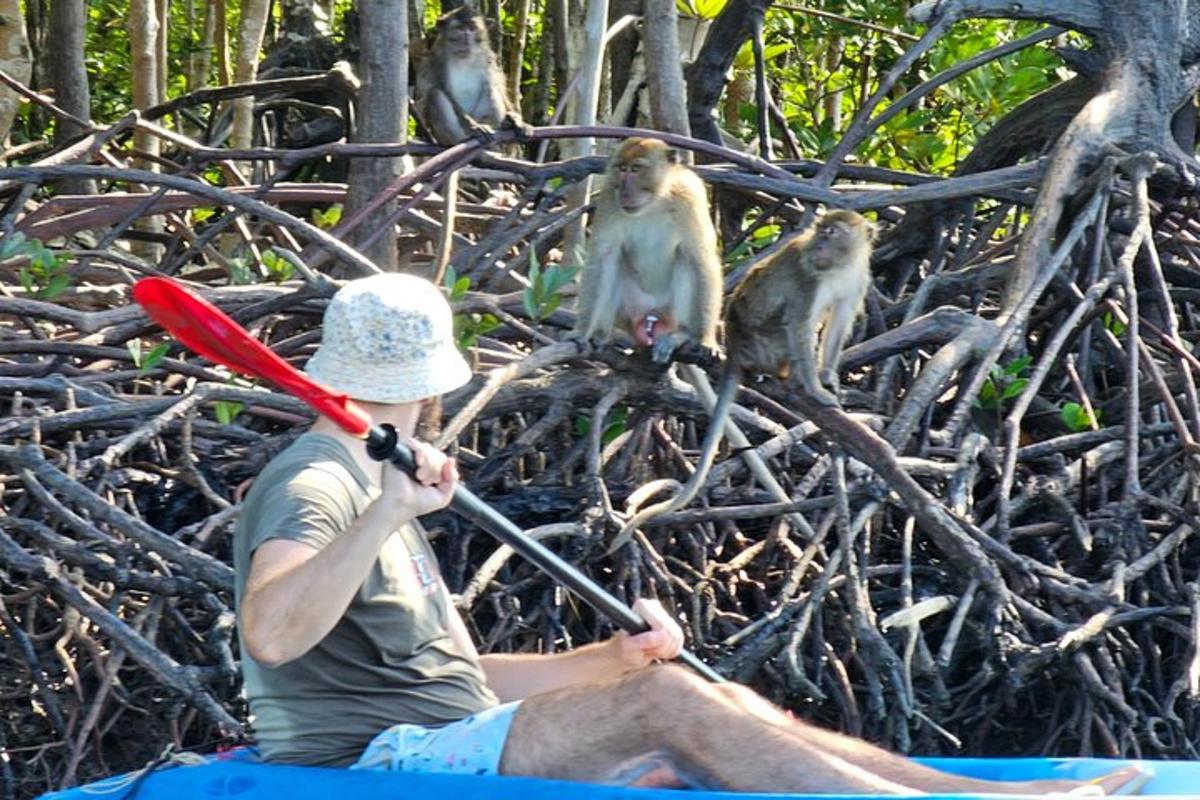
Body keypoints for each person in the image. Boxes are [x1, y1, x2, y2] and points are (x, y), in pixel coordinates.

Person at [233, 273, 1146, 795]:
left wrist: (609, 661)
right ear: (433, 379)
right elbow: (271, 633)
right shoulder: (319, 479)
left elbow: (454, 681)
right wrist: (387, 514)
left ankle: (992, 798)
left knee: (683, 689)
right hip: (375, 758)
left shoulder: (371, 465)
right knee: (669, 712)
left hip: (442, 728)